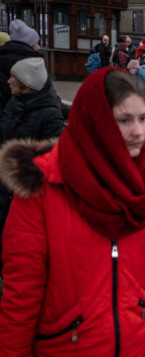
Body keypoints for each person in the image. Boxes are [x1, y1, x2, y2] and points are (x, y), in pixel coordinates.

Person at [0, 68, 145, 357]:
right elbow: (20, 301)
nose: (139, 132)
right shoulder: (43, 187)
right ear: (96, 121)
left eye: (142, 118)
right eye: (124, 120)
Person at [0, 57, 64, 267]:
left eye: (13, 77)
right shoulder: (15, 101)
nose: (8, 81)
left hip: (23, 191)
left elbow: (55, 158)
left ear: (25, 84)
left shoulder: (49, 115)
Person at [0, 19, 44, 108]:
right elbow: (47, 98)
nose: (39, 47)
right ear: (28, 45)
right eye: (35, 43)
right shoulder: (33, 68)